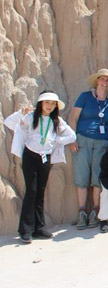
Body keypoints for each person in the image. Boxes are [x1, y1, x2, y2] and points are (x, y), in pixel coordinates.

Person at [4, 91, 76, 243]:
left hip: (46, 157)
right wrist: (20, 114)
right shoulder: (31, 117)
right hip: (31, 156)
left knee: (41, 191)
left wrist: (57, 139)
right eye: (47, 102)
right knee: (32, 190)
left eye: (52, 103)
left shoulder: (56, 120)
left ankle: (39, 228)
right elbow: (10, 123)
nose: (50, 106)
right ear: (41, 103)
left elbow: (72, 136)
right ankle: (25, 230)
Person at [68, 68, 108, 230]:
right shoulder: (85, 97)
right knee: (82, 174)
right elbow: (73, 117)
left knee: (98, 176)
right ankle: (82, 212)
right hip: (83, 139)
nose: (104, 82)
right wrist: (72, 138)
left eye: (107, 80)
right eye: (102, 79)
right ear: (97, 81)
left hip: (102, 143)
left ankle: (95, 212)